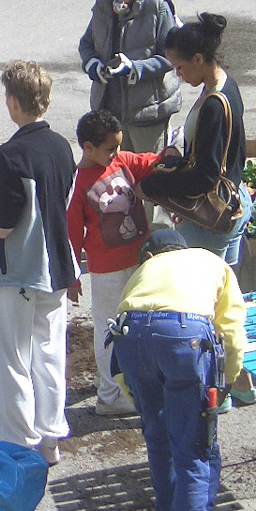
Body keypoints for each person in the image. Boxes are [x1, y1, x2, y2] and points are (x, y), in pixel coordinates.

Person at [109, 229, 247, 511]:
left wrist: (140, 402)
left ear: (149, 256)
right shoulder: (212, 262)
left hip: (131, 339)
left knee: (160, 441)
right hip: (185, 338)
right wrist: (227, 379)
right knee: (196, 454)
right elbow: (231, 330)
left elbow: (120, 351)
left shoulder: (142, 274)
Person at [136, 12, 256, 412]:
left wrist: (157, 185)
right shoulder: (225, 86)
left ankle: (215, 396)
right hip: (236, 202)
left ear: (201, 59)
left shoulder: (212, 106)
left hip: (213, 222)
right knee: (228, 304)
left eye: (181, 66)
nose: (178, 73)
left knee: (204, 311)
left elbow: (205, 177)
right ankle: (241, 386)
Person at [0, 60, 78, 465]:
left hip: (17, 272)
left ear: (13, 102)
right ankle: (50, 441)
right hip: (58, 266)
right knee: (48, 354)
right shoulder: (63, 146)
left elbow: (3, 224)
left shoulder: (11, 155)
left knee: (9, 358)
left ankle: (18, 444)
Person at [66, 109, 159, 418]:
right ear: (88, 147)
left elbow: (146, 162)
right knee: (109, 330)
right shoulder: (77, 183)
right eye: (110, 148)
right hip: (106, 270)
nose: (117, 153)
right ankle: (108, 396)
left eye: (119, 146)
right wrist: (73, 276)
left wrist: (170, 157)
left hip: (137, 260)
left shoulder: (120, 161)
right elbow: (71, 233)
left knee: (132, 327)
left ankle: (115, 382)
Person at [79, 0, 180, 154]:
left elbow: (171, 57)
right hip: (109, 114)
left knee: (147, 177)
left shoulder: (158, 6)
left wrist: (134, 68)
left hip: (147, 113)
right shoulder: (104, 0)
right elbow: (87, 43)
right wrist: (92, 65)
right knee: (117, 178)